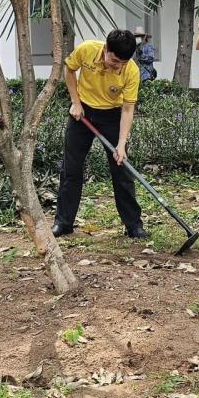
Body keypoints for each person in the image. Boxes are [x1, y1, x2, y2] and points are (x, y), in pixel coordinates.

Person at [52, 29, 147, 240]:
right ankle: (63, 222)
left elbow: (128, 109)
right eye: (114, 60)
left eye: (122, 63)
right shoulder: (86, 50)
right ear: (106, 49)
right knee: (71, 169)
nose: (117, 66)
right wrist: (76, 103)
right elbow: (69, 70)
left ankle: (133, 225)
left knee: (122, 171)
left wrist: (122, 143)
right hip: (83, 114)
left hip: (112, 116)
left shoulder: (130, 71)